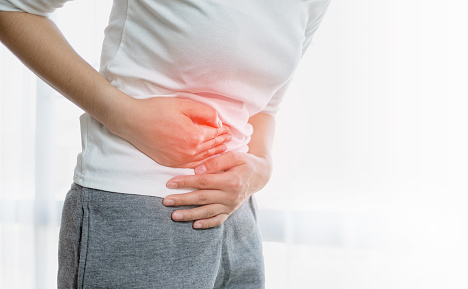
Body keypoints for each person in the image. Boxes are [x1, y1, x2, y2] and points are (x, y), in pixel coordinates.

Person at [0, 0, 330, 288]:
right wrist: (124, 114)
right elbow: (12, 8)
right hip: (134, 212)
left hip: (238, 224)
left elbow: (265, 108)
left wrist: (260, 168)